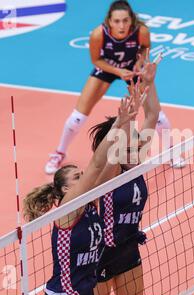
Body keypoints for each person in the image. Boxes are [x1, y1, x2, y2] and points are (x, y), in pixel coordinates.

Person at [23, 82, 144, 295]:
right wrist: (119, 123)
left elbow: (112, 159)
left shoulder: (91, 202)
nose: (84, 177)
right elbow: (97, 165)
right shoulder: (67, 210)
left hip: (85, 292)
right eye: (78, 177)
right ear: (67, 189)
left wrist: (128, 121)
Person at [45, 0, 182, 174]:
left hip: (133, 68)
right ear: (109, 21)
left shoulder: (141, 31)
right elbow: (96, 60)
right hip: (107, 68)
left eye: (125, 20)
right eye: (117, 21)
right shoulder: (98, 34)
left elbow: (145, 47)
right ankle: (59, 153)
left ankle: (172, 151)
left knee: (158, 116)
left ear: (131, 20)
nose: (122, 25)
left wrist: (140, 61)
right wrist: (118, 71)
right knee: (77, 118)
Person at [90, 56, 161, 295]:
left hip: (128, 249)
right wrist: (126, 118)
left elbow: (152, 114)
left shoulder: (136, 161)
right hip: (100, 254)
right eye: (130, 139)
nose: (137, 143)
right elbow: (118, 145)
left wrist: (148, 82)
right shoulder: (108, 172)